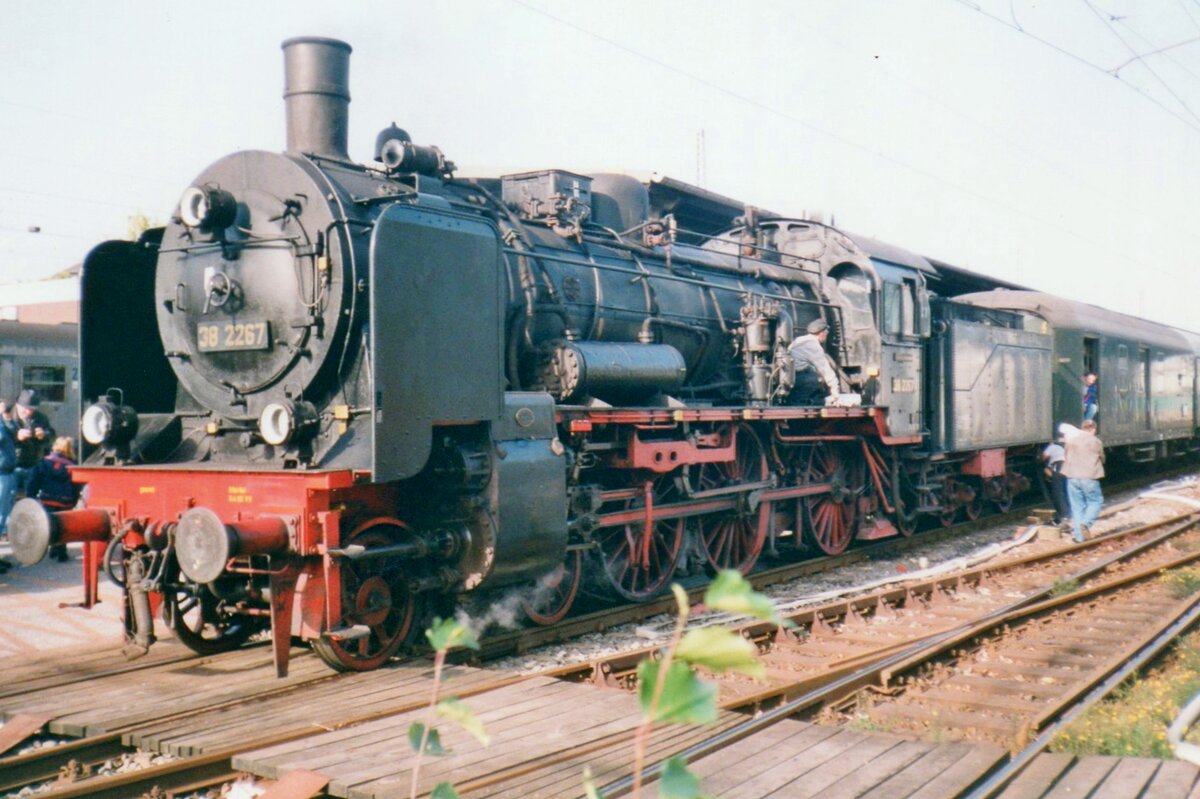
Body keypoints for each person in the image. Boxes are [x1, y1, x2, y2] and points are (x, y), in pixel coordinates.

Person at [27, 437, 81, 562]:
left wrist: (31, 496)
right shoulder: (72, 466)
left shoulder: (44, 462)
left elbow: (34, 481)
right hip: (65, 501)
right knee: (63, 525)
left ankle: (52, 548)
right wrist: (74, 500)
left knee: (50, 524)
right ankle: (62, 552)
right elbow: (76, 486)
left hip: (47, 499)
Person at [1060, 420, 1104, 544]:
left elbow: (1066, 455)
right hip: (1089, 477)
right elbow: (1102, 457)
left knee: (1077, 507)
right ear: (1093, 430)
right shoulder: (1096, 442)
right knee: (1096, 501)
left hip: (1072, 477)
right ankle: (1086, 523)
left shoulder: (1071, 441)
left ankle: (1079, 537)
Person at [11, 389, 54, 499]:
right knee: (8, 498)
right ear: (17, 405)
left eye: (32, 409)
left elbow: (52, 435)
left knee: (32, 499)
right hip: (10, 466)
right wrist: (16, 437)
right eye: (25, 409)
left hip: (32, 464)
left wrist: (44, 435)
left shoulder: (41, 418)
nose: (29, 412)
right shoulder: (7, 416)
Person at [788, 318, 840, 406]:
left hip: (789, 377)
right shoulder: (814, 346)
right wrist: (835, 389)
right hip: (800, 378)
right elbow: (824, 369)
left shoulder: (799, 339)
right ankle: (802, 406)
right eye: (826, 334)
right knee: (815, 381)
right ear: (822, 333)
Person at [0, 402, 16, 573]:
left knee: (3, 516)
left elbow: (14, 434)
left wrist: (7, 418)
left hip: (7, 471)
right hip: (0, 472)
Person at [1041, 436, 1069, 527]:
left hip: (1058, 466)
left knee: (1057, 493)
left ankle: (1063, 517)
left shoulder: (1050, 447)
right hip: (1065, 467)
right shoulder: (1060, 447)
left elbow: (1043, 457)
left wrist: (1039, 460)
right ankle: (1059, 517)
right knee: (1061, 491)